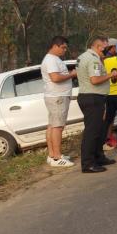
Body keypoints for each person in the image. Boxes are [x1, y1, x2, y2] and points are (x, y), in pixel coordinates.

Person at [76, 36, 117, 173]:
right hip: (92, 98)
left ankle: (99, 156)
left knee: (99, 130)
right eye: (105, 48)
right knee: (92, 132)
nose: (107, 51)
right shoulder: (93, 59)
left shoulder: (83, 57)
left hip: (91, 97)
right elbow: (94, 79)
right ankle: (88, 164)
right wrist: (111, 74)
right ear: (99, 46)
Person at [41, 36, 77, 167]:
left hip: (56, 96)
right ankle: (57, 157)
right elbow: (55, 78)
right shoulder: (51, 59)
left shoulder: (54, 59)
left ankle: (52, 155)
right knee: (57, 127)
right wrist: (72, 74)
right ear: (55, 46)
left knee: (52, 125)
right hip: (57, 97)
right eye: (63, 47)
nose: (65, 50)